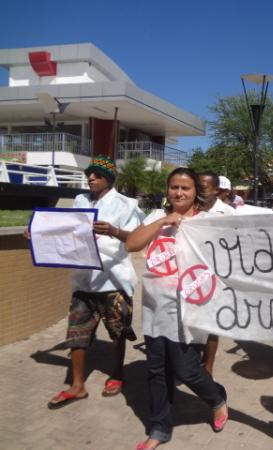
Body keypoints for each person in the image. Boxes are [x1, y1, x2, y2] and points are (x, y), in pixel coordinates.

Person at [126, 168, 229, 449]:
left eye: (185, 188)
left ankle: (217, 398)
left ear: (196, 191)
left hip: (188, 310)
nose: (179, 193)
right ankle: (159, 429)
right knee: (156, 371)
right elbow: (132, 243)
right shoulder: (157, 218)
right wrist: (164, 222)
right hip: (155, 307)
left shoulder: (206, 222)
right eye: (174, 187)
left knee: (186, 369)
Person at [46, 155, 145, 409]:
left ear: (109, 179)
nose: (90, 178)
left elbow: (136, 238)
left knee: (117, 332)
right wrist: (36, 233)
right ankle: (77, 386)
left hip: (113, 280)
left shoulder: (126, 204)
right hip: (83, 280)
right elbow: (63, 229)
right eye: (89, 174)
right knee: (76, 334)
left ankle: (117, 374)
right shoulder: (80, 201)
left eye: (97, 175)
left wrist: (113, 231)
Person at [196, 172, 236, 374]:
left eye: (203, 186)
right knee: (192, 318)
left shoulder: (227, 213)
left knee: (211, 323)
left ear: (216, 190)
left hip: (216, 275)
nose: (199, 189)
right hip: (191, 273)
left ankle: (208, 365)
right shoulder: (190, 210)